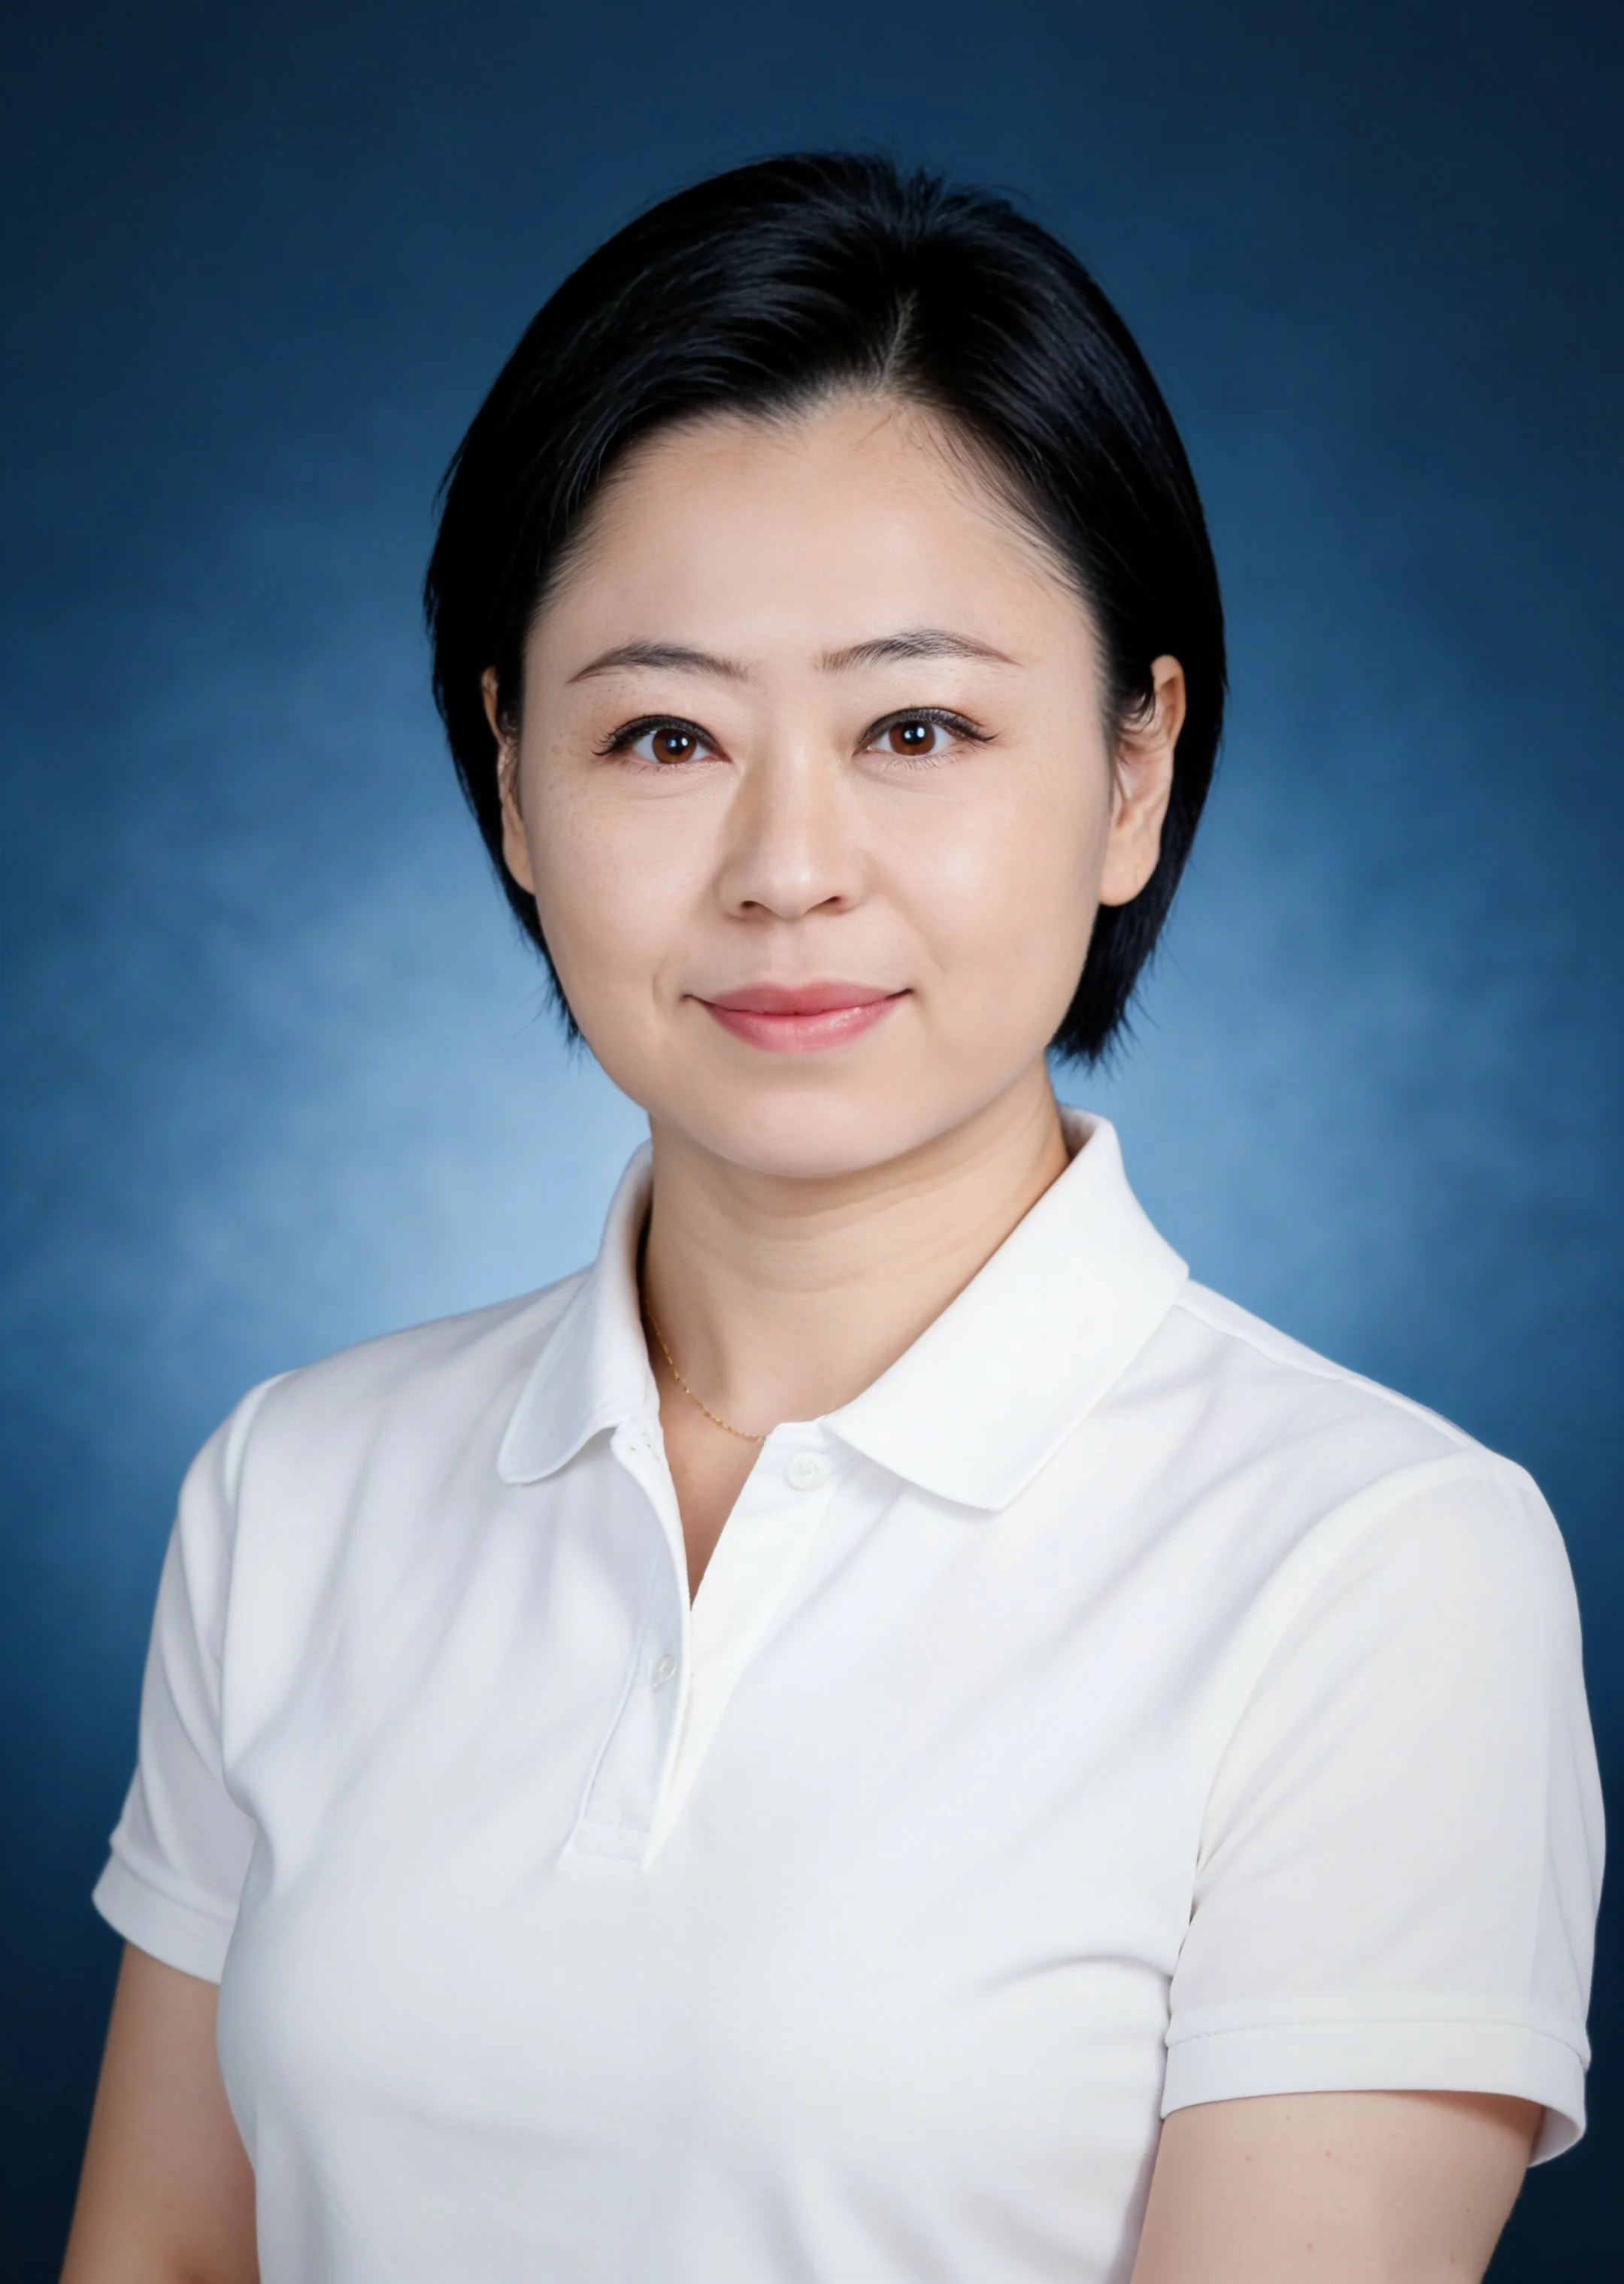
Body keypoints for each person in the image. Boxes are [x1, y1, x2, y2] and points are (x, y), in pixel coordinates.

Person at [62, 153, 1601, 2284]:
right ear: (514, 777)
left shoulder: (1376, 1568)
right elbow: (154, 2256)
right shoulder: (296, 1488)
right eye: (667, 731)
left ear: (1136, 768)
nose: (790, 863)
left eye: (919, 724)